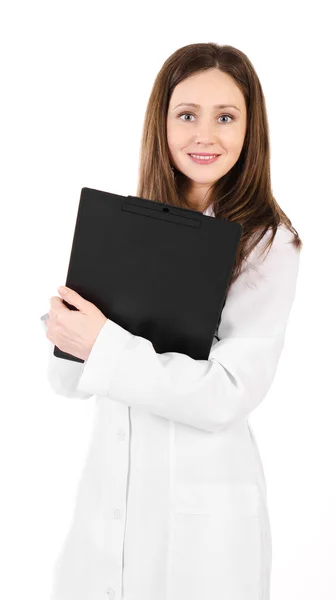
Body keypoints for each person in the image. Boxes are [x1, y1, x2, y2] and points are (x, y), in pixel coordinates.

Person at [42, 43, 302, 600]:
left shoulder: (268, 244)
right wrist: (66, 333)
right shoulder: (127, 226)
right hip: (109, 508)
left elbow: (226, 393)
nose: (204, 135)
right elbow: (67, 382)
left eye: (225, 117)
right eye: (187, 115)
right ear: (160, 123)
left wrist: (102, 343)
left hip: (202, 523)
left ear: (250, 130)